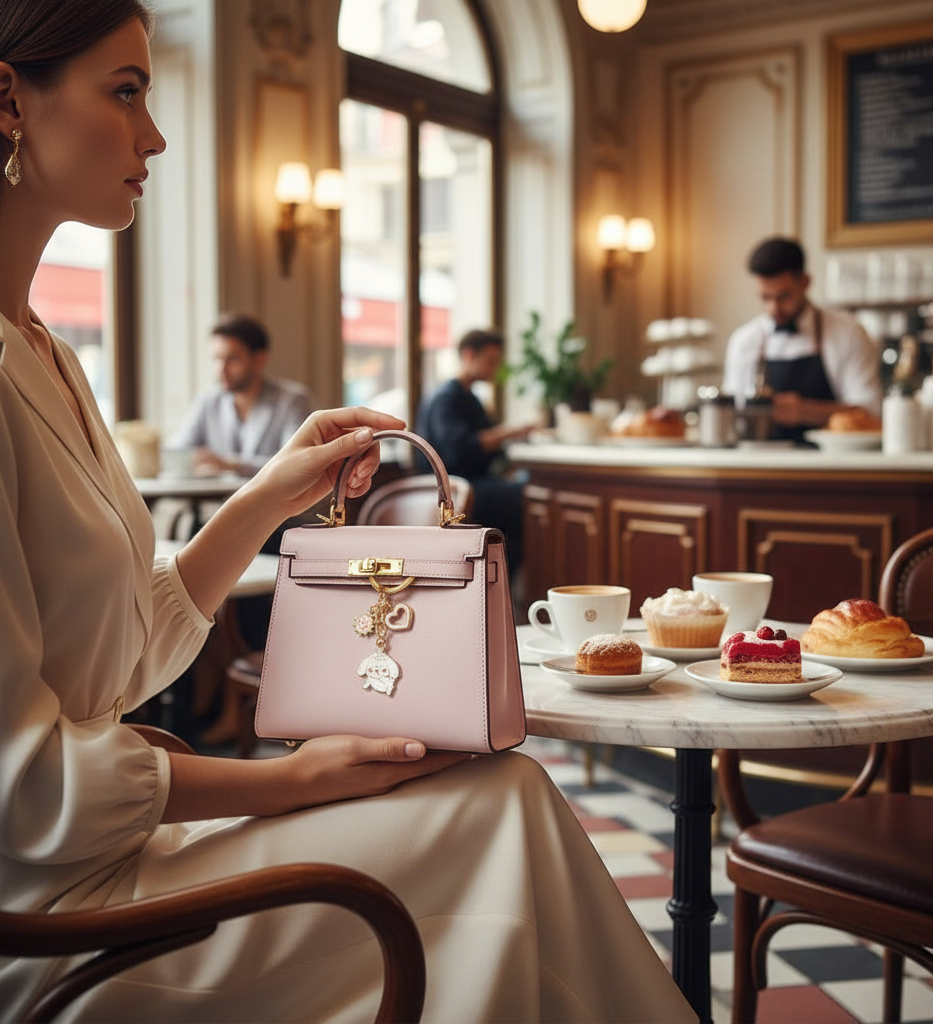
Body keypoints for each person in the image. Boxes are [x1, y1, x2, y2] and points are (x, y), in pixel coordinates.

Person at [0, 4, 696, 1022]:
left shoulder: (48, 353)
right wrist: (297, 779)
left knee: (507, 800)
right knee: (501, 815)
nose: (153, 135)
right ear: (8, 97)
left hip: (118, 855)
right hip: (58, 921)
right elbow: (20, 788)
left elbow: (125, 653)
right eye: (125, 90)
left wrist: (271, 492)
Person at [722, 236, 882, 440]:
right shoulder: (744, 341)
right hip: (760, 463)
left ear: (805, 283)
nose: (774, 308)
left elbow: (871, 412)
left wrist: (807, 411)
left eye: (784, 296)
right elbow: (731, 414)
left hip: (831, 465)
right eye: (765, 298)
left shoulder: (847, 332)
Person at [416, 329, 535, 572]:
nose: (494, 368)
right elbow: (459, 448)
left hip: (474, 481)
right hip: (454, 489)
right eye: (490, 361)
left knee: (529, 487)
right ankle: (500, 581)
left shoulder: (470, 399)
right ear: (469, 355)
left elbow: (488, 449)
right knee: (530, 497)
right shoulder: (446, 398)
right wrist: (510, 431)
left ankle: (499, 580)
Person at [173, 313, 315, 477]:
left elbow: (294, 461)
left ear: (259, 359)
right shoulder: (208, 400)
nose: (221, 369)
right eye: (217, 359)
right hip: (216, 502)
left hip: (274, 501)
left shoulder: (292, 401)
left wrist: (231, 465)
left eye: (232, 359)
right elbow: (179, 450)